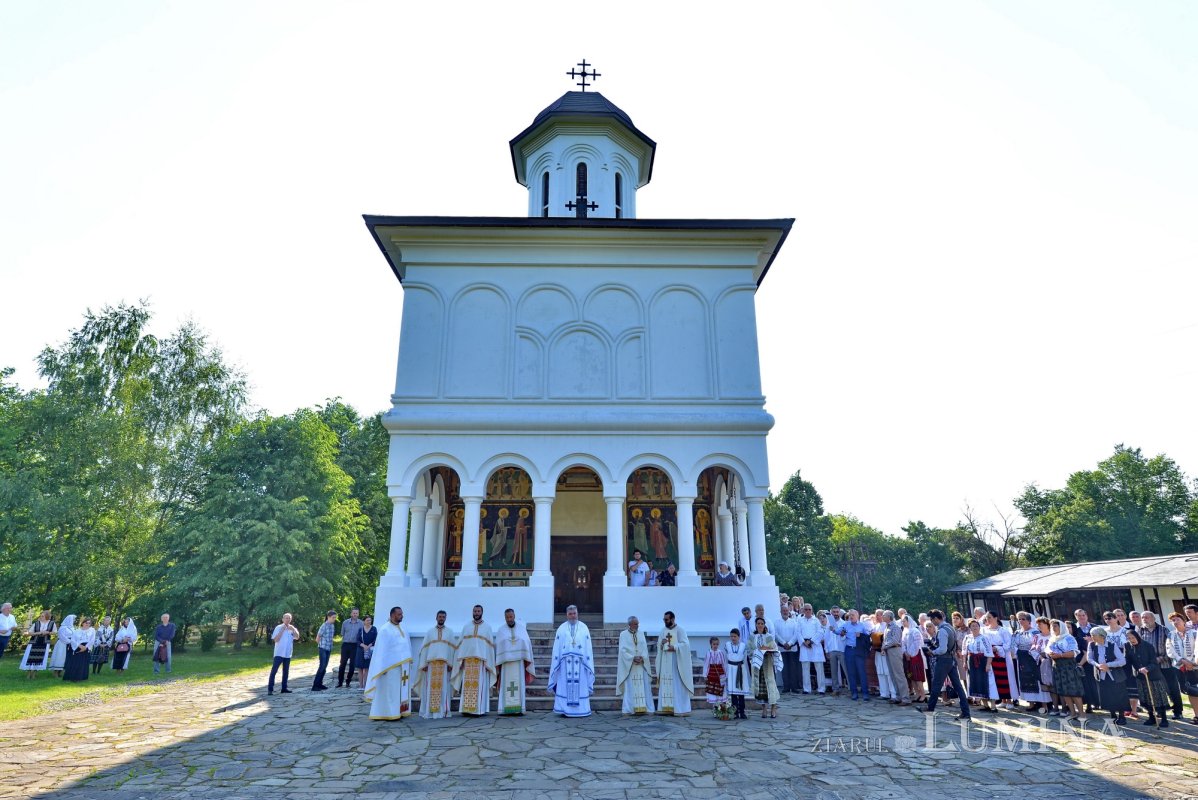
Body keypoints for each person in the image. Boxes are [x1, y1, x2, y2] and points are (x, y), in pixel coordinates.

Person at [916, 609, 971, 721]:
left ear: (936, 619)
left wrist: (932, 652)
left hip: (944, 660)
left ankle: (930, 708)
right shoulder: (950, 627)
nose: (932, 622)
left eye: (932, 619)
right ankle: (966, 712)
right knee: (958, 687)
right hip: (951, 659)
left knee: (936, 685)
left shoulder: (942, 631)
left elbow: (942, 649)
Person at [365, 607, 413, 720]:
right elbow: (381, 651)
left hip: (403, 667)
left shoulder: (403, 628)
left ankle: (400, 711)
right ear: (392, 615)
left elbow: (407, 646)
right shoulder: (385, 629)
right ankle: (389, 713)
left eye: (402, 614)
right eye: (399, 614)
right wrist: (382, 667)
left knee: (399, 691)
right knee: (391, 691)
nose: (401, 616)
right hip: (389, 668)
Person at [548, 605, 594, 717]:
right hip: (565, 664)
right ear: (567, 615)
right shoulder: (561, 628)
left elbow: (588, 647)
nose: (573, 616)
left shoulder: (584, 627)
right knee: (564, 685)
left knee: (581, 686)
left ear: (577, 614)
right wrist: (556, 663)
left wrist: (587, 663)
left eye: (574, 613)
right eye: (570, 614)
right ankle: (564, 709)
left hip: (580, 664)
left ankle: (580, 710)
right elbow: (557, 648)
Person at [452, 604, 496, 716]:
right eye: (475, 611)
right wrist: (460, 661)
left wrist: (488, 663)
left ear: (482, 612)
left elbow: (489, 648)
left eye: (478, 611)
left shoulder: (487, 627)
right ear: (472, 612)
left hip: (481, 662)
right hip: (468, 662)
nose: (476, 613)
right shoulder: (466, 627)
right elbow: (462, 644)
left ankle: (479, 710)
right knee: (467, 686)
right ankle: (466, 709)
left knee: (479, 686)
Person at [1140, 611, 1183, 722]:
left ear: (1153, 618)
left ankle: (1178, 711)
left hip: (1165, 664)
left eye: (1147, 617)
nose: (1144, 619)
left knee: (1172, 688)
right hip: (1150, 666)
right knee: (1156, 689)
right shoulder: (1140, 630)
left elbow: (1170, 646)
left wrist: (1161, 658)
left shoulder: (1163, 629)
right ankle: (1160, 710)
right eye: (1142, 617)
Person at [416, 610, 457, 719]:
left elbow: (452, 650)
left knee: (444, 689)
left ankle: (443, 711)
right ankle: (429, 711)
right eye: (440, 616)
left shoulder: (450, 632)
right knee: (430, 689)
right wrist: (423, 664)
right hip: (431, 665)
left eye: (443, 617)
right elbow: (424, 649)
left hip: (444, 666)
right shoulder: (430, 632)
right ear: (436, 617)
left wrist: (451, 664)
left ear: (445, 618)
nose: (441, 618)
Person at [494, 608, 535, 715]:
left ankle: (519, 708)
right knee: (506, 687)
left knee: (518, 686)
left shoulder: (521, 629)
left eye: (511, 616)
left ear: (514, 616)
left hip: (519, 663)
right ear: (504, 617)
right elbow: (498, 645)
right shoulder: (501, 630)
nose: (509, 619)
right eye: (507, 617)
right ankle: (504, 709)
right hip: (506, 663)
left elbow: (526, 642)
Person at [1125, 629, 1169, 728]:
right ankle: (1151, 717)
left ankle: (1164, 719)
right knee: (1145, 697)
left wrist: (1147, 668)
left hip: (1153, 675)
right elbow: (1128, 661)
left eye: (1133, 637)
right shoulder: (1127, 646)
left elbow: (1154, 661)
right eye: (1129, 638)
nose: (1132, 640)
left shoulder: (1147, 646)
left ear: (1137, 636)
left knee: (1158, 697)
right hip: (1140, 676)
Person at [1088, 626, 1130, 726]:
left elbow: (1122, 661)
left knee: (1119, 695)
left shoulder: (1112, 645)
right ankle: (1112, 715)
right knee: (1107, 695)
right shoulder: (1092, 645)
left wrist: (1109, 665)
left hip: (1115, 675)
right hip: (1101, 674)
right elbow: (1090, 659)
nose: (1092, 637)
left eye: (1094, 635)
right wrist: (1099, 666)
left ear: (1101, 636)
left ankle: (1121, 716)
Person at [655, 610, 693, 716]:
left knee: (677, 685)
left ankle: (679, 708)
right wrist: (661, 644)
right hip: (666, 662)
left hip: (677, 662)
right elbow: (659, 646)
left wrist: (675, 647)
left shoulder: (680, 630)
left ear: (672, 619)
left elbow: (686, 645)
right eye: (664, 619)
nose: (665, 621)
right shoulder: (663, 630)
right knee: (666, 684)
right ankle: (666, 708)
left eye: (666, 619)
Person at [1011, 612, 1052, 710]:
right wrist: (1018, 652)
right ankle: (1031, 703)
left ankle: (1043, 704)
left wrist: (1035, 654)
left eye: (1023, 619)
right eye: (1019, 619)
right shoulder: (1017, 633)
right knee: (1025, 679)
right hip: (1022, 657)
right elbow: (1013, 645)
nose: (1021, 621)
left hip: (1034, 658)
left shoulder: (1035, 632)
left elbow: (1038, 644)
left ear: (1029, 621)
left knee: (1037, 679)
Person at [1046, 619, 1084, 721]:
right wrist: (1051, 654)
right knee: (1064, 691)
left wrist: (1060, 655)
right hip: (1057, 666)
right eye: (1052, 626)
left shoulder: (1068, 638)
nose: (1053, 628)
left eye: (1055, 626)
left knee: (1074, 690)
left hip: (1068, 665)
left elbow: (1074, 652)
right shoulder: (1052, 639)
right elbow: (1048, 649)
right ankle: (1072, 713)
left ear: (1061, 627)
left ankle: (1081, 714)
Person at [616, 616, 654, 715]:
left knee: (644, 686)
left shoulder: (641, 634)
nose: (638, 625)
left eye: (638, 623)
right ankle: (630, 709)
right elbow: (622, 650)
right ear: (630, 624)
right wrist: (632, 658)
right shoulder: (623, 635)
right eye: (636, 624)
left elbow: (645, 648)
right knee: (630, 688)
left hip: (641, 665)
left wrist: (642, 657)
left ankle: (645, 708)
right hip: (630, 666)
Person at [982, 612, 1016, 710]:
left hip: (1001, 657)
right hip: (990, 657)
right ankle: (1003, 700)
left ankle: (1009, 700)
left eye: (990, 617)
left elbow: (1008, 644)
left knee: (1004, 678)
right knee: (995, 678)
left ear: (995, 618)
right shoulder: (984, 630)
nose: (988, 619)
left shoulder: (1003, 630)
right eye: (986, 618)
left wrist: (997, 648)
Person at [749, 617, 782, 718]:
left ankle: (773, 707)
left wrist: (766, 649)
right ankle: (764, 708)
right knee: (760, 687)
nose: (760, 625)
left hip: (767, 663)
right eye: (758, 623)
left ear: (764, 625)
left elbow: (774, 647)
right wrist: (757, 650)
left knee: (770, 684)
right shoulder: (752, 637)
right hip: (757, 665)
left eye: (761, 623)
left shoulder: (768, 636)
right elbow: (749, 649)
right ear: (755, 625)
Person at [964, 619, 998, 713]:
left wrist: (988, 665)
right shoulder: (967, 638)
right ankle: (985, 705)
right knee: (977, 683)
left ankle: (993, 706)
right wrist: (964, 663)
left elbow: (989, 653)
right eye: (972, 626)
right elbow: (964, 652)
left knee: (988, 682)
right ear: (969, 628)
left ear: (979, 627)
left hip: (983, 661)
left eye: (976, 626)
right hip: (972, 662)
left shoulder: (984, 638)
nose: (974, 627)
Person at [880, 611, 910, 705]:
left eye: (884, 615)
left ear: (889, 617)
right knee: (893, 674)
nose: (882, 617)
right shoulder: (887, 627)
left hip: (895, 651)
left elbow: (894, 640)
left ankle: (905, 698)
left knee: (899, 674)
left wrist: (884, 646)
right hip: (889, 651)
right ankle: (898, 696)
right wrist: (884, 647)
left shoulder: (895, 627)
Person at [1073, 609, 1100, 712]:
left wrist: (1092, 641)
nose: (1081, 617)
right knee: (1084, 683)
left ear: (1086, 615)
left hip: (1095, 658)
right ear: (1076, 617)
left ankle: (1097, 702)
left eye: (1083, 615)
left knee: (1095, 681)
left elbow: (1103, 640)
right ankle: (1088, 704)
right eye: (1079, 615)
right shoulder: (1074, 628)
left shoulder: (1094, 627)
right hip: (1080, 659)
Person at [267, 613, 300, 695]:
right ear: (283, 619)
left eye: (289, 618)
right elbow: (276, 640)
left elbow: (297, 637)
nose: (287, 620)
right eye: (286, 618)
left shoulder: (292, 628)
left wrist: (293, 630)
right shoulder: (278, 627)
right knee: (274, 670)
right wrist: (282, 630)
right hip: (279, 653)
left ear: (291, 619)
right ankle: (270, 689)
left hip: (287, 654)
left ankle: (284, 688)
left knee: (286, 671)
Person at [797, 604, 827, 695]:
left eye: (809, 609)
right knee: (805, 668)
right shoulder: (800, 621)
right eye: (806, 609)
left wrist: (811, 641)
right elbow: (798, 632)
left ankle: (821, 689)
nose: (808, 611)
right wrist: (803, 642)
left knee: (819, 668)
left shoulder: (816, 621)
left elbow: (820, 632)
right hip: (804, 645)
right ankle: (807, 689)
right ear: (803, 610)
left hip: (815, 645)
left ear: (812, 610)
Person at [722, 628, 751, 719]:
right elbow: (725, 659)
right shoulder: (727, 645)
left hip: (740, 669)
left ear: (739, 637)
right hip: (731, 669)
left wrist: (745, 671)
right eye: (731, 636)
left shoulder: (743, 645)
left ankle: (742, 712)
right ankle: (735, 712)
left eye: (735, 636)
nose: (733, 638)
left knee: (740, 691)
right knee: (733, 692)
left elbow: (745, 659)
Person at [842, 609, 869, 701]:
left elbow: (867, 638)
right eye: (850, 615)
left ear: (857, 616)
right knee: (851, 672)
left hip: (858, 651)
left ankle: (865, 693)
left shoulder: (862, 625)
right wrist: (835, 630)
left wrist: (860, 635)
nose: (851, 617)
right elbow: (838, 632)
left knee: (861, 672)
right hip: (849, 650)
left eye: (853, 615)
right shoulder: (846, 625)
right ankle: (854, 692)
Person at [19, 611, 55, 678]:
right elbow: (29, 633)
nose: (41, 617)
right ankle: (29, 673)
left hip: (45, 642)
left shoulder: (52, 623)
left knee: (39, 657)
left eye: (42, 616)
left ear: (47, 616)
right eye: (40, 616)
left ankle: (34, 673)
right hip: (34, 642)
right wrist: (38, 633)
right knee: (31, 657)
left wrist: (48, 632)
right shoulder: (36, 623)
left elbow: (54, 632)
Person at [773, 604, 800, 693]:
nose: (785, 612)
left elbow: (796, 634)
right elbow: (776, 634)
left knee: (793, 668)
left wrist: (790, 643)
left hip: (792, 648)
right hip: (782, 648)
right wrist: (784, 643)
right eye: (783, 611)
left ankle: (794, 687)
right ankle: (786, 687)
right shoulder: (776, 622)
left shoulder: (794, 622)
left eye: (786, 611)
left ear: (789, 612)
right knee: (784, 668)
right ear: (780, 612)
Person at [901, 614, 927, 703]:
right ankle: (917, 694)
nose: (903, 623)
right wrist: (905, 653)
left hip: (915, 656)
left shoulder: (915, 631)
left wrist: (911, 654)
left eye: (904, 621)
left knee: (917, 676)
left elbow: (917, 644)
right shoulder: (905, 631)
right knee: (911, 676)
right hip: (908, 656)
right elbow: (903, 643)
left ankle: (923, 695)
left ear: (908, 621)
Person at [337, 608, 364, 689]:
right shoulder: (345, 623)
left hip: (355, 646)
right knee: (342, 664)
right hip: (345, 645)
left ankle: (348, 682)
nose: (355, 614)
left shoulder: (361, 624)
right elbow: (342, 633)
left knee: (352, 665)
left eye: (356, 613)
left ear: (358, 614)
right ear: (351, 614)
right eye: (354, 613)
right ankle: (340, 682)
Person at [824, 609, 847, 696]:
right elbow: (826, 637)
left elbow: (845, 636)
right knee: (833, 671)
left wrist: (842, 635)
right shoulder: (828, 624)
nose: (836, 614)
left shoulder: (844, 623)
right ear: (831, 613)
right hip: (832, 649)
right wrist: (826, 650)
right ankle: (835, 689)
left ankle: (851, 688)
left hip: (842, 649)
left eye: (837, 612)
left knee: (846, 670)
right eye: (834, 612)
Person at [312, 610, 336, 691]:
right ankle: (315, 685)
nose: (334, 619)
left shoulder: (332, 625)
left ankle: (320, 684)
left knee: (325, 667)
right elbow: (317, 638)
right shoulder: (324, 626)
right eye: (333, 617)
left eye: (335, 617)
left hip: (329, 649)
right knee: (322, 666)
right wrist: (321, 646)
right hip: (323, 648)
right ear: (328, 617)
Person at [63, 617, 92, 682]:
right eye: (86, 623)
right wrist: (79, 646)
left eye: (89, 623)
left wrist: (85, 647)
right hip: (77, 646)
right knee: (76, 663)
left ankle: (82, 677)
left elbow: (92, 640)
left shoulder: (92, 630)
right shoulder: (77, 631)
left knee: (84, 663)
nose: (87, 624)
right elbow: (73, 640)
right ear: (82, 623)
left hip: (86, 647)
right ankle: (74, 677)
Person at [704, 636, 728, 706]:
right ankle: (715, 709)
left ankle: (721, 709)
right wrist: (705, 675)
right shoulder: (708, 653)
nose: (715, 646)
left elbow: (724, 664)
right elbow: (706, 664)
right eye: (714, 644)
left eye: (717, 644)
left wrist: (726, 674)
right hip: (711, 675)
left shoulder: (720, 652)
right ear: (711, 644)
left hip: (720, 674)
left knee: (720, 691)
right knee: (713, 692)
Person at [356, 615, 377, 688]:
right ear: (364, 621)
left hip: (370, 650)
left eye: (370, 620)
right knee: (360, 668)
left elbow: (376, 639)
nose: (369, 621)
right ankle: (361, 685)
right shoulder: (360, 629)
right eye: (367, 620)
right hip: (361, 650)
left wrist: (369, 646)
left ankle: (366, 685)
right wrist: (364, 646)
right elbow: (357, 640)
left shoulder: (374, 629)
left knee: (367, 668)